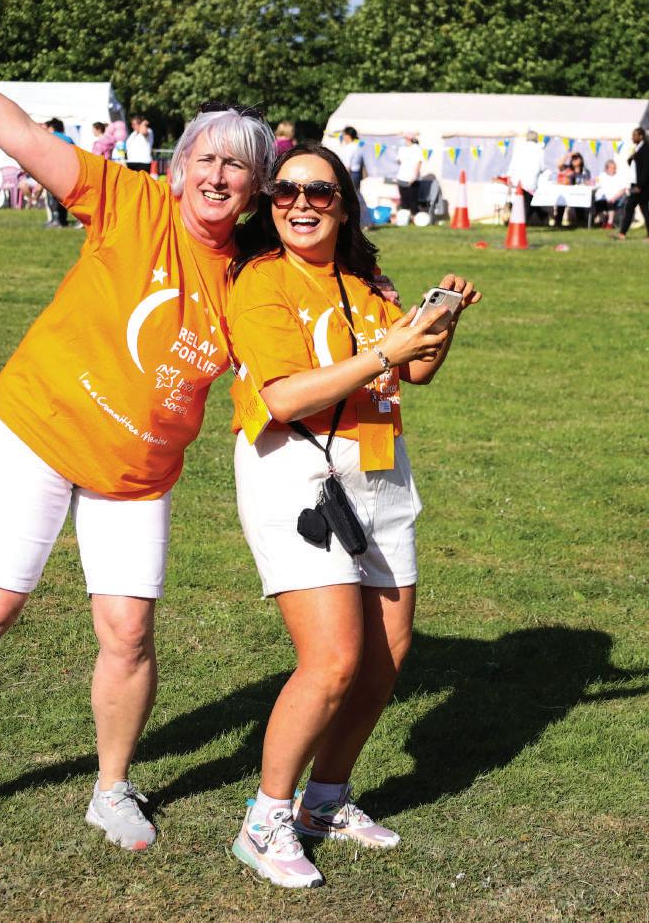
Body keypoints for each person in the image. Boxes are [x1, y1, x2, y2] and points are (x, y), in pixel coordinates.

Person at [0, 38, 275, 858]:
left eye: (237, 165)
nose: (218, 175)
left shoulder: (253, 275)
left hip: (136, 472)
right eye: (206, 158)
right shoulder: (131, 200)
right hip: (39, 428)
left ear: (256, 186)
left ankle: (111, 789)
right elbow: (17, 132)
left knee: (128, 633)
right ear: (179, 168)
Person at [227, 144, 481, 888]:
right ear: (271, 203)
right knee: (333, 660)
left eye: (320, 191)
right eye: (286, 191)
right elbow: (282, 398)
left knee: (385, 657)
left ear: (344, 204)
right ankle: (265, 819)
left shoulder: (365, 282)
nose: (301, 203)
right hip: (297, 476)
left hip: (379, 470)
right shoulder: (261, 279)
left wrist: (440, 321)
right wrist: (385, 352)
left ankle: (324, 802)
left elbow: (416, 369)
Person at [615, 127, 649, 241]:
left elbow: (646, 169)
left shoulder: (645, 148)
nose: (632, 137)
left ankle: (622, 233)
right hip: (635, 184)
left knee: (633, 208)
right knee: (638, 209)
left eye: (634, 135)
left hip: (641, 186)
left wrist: (640, 185)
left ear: (641, 136)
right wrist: (631, 159)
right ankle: (622, 233)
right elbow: (636, 166)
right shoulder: (637, 148)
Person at [506, 130, 545, 224]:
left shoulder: (519, 148)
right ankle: (525, 220)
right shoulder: (539, 149)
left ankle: (520, 220)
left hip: (518, 180)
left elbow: (512, 164)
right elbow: (542, 166)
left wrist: (509, 175)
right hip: (531, 181)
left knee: (520, 201)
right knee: (528, 202)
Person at [44, 118, 74, 228]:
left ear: (52, 128)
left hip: (53, 170)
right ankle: (63, 220)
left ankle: (55, 220)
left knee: (52, 197)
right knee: (63, 197)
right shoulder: (68, 139)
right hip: (67, 171)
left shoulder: (49, 138)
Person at [554, 151, 592, 228]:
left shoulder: (585, 171)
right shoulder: (568, 169)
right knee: (561, 202)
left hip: (579, 193)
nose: (574, 160)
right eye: (573, 158)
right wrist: (568, 155)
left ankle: (581, 222)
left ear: (581, 159)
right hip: (568, 192)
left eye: (576, 158)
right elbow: (559, 165)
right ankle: (558, 221)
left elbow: (588, 181)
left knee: (580, 202)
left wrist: (587, 183)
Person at [593, 159, 628, 228]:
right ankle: (603, 221)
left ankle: (610, 223)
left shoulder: (619, 176)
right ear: (606, 169)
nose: (614, 170)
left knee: (610, 203)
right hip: (602, 198)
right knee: (599, 203)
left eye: (614, 168)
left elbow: (623, 190)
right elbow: (596, 185)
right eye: (612, 168)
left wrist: (614, 198)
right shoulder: (602, 175)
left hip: (615, 198)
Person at [395, 132, 422, 219]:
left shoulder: (416, 149)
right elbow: (399, 161)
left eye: (405, 138)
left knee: (413, 200)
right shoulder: (402, 149)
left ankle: (415, 217)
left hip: (412, 178)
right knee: (404, 200)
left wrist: (414, 176)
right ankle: (405, 218)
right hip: (401, 177)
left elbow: (419, 162)